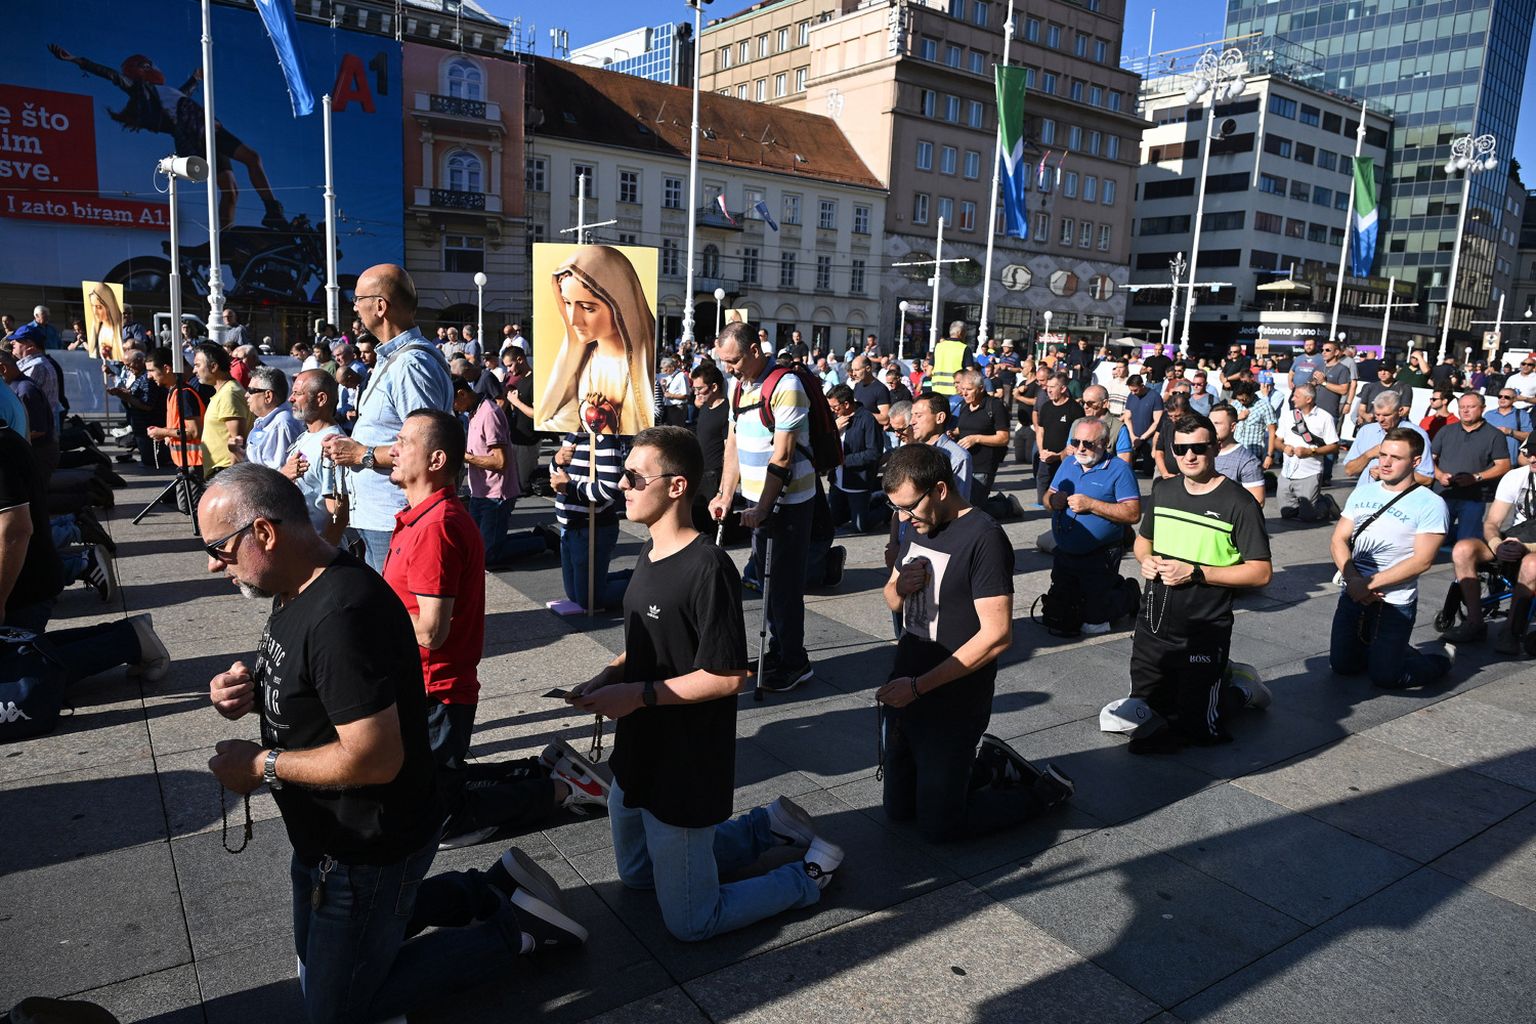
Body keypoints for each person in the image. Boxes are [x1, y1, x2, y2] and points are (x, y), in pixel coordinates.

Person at [199, 464, 588, 1024]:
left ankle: (514, 930)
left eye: (219, 548)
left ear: (263, 532)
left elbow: (376, 758)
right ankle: (484, 891)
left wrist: (261, 765)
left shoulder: (342, 613)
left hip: (369, 845)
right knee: (319, 962)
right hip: (329, 840)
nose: (215, 564)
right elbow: (323, 687)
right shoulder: (294, 587)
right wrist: (253, 691)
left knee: (335, 1011)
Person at [563, 426, 842, 939]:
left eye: (634, 477)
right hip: (637, 751)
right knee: (637, 875)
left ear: (676, 486)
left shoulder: (708, 567)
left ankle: (807, 878)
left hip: (683, 762)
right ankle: (765, 827)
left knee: (692, 922)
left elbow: (728, 676)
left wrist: (637, 695)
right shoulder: (648, 552)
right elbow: (651, 641)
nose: (621, 485)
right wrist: (612, 673)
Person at [877, 443, 1074, 840]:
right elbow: (891, 598)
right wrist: (901, 587)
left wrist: (919, 687)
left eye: (909, 507)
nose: (903, 518)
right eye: (895, 508)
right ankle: (987, 766)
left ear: (940, 490)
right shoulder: (914, 525)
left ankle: (1041, 793)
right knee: (899, 811)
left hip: (953, 693)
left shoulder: (984, 538)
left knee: (940, 828)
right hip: (908, 681)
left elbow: (997, 635)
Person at [1110, 413, 1273, 753]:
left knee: (1199, 728)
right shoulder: (1164, 489)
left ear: (1215, 448)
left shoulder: (1239, 502)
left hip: (1203, 626)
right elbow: (1143, 542)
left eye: (1199, 448)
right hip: (1154, 619)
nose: (1189, 456)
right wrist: (1146, 559)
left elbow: (1260, 572)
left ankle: (1242, 688)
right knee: (1144, 713)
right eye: (1181, 448)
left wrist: (1197, 572)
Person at [49, 46, 286, 229]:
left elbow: (182, 95)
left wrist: (195, 79)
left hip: (210, 129)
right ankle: (266, 215)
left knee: (233, 187)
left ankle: (234, 231)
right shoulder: (141, 89)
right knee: (248, 163)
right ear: (140, 69)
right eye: (146, 66)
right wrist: (77, 60)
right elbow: (111, 75)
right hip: (198, 133)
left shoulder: (165, 92)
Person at [321, 265, 455, 571]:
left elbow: (424, 450)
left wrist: (361, 453)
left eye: (358, 299)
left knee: (397, 601)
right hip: (381, 518)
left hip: (394, 518)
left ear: (380, 306)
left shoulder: (411, 365)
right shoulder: (393, 359)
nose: (355, 307)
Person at [708, 322, 818, 693]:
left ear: (755, 350)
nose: (729, 369)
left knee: (783, 584)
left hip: (788, 501)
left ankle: (795, 662)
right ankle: (779, 650)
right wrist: (726, 494)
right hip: (758, 499)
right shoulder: (738, 386)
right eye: (724, 362)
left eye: (734, 361)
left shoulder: (786, 384)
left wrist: (765, 508)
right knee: (765, 581)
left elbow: (783, 455)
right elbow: (733, 442)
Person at [1330, 429, 1454, 685]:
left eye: (1395, 458)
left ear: (1416, 461)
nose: (1385, 463)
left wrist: (1367, 585)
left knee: (1386, 677)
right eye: (1382, 455)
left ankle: (1439, 661)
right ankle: (1390, 651)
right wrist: (1353, 581)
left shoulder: (1430, 504)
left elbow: (1422, 560)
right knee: (1343, 666)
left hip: (1394, 602)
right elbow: (1338, 539)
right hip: (1353, 594)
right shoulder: (1363, 492)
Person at [537, 246, 656, 435]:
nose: (573, 320)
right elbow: (568, 419)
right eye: (567, 303)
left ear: (621, 306)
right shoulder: (582, 361)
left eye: (587, 308)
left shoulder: (644, 363)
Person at [1045, 416, 1143, 634]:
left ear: (1104, 443)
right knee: (1058, 616)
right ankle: (1104, 591)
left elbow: (1133, 513)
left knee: (1094, 625)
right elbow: (1047, 497)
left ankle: (1129, 594)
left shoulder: (1119, 469)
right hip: (1065, 551)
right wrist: (1052, 501)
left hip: (1100, 554)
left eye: (1088, 443)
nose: (1080, 448)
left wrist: (1091, 505)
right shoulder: (1068, 463)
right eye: (1075, 442)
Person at [1441, 447, 1536, 649]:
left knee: (1531, 564)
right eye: (1530, 453)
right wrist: (1497, 544)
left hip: (1530, 547)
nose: (1532, 458)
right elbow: (1492, 522)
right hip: (1516, 537)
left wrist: (1526, 548)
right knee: (1463, 549)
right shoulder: (1516, 476)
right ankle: (1474, 623)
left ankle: (1510, 631)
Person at [455, 378, 544, 567]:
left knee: (488, 554)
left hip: (497, 494)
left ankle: (542, 541)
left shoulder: (489, 413)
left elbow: (500, 462)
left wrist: (466, 457)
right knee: (479, 546)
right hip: (480, 492)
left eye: (454, 402)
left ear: (462, 393)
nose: (455, 408)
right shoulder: (474, 412)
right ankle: (538, 536)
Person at [1431, 392, 1511, 543]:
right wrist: (1439, 475)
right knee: (1434, 541)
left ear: (1482, 408)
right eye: (1462, 407)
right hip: (1443, 494)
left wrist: (1476, 477)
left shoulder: (1494, 435)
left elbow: (1504, 465)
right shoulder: (1446, 431)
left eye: (1471, 407)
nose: (1465, 410)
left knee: (1466, 543)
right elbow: (1429, 459)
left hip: (1474, 498)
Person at [280, 368, 348, 544]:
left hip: (313, 549)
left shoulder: (332, 444)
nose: (291, 398)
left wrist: (324, 553)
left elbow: (338, 513)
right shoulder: (307, 435)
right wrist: (283, 475)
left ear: (321, 399)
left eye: (298, 393)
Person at [1274, 384, 1340, 521]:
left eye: (1296, 396)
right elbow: (1277, 441)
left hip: (1310, 472)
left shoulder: (1324, 417)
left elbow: (1334, 447)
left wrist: (1311, 451)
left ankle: (1325, 503)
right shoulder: (1287, 416)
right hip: (1287, 472)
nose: (1292, 399)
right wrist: (1284, 447)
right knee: (1287, 514)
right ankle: (1309, 502)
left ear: (1308, 399)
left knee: (1308, 517)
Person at [826, 384, 885, 532]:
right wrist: (834, 429)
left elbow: (874, 452)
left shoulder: (867, 419)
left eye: (835, 407)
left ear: (846, 404)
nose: (832, 410)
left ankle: (886, 507)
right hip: (837, 481)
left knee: (860, 527)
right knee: (834, 521)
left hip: (857, 482)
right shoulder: (835, 418)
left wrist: (844, 460)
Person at [1342, 391, 1434, 485]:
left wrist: (1388, 474)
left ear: (1400, 411)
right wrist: (1368, 455)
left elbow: (1427, 479)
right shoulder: (1366, 431)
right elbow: (1349, 470)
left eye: (1386, 415)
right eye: (1377, 415)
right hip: (1365, 492)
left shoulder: (1416, 435)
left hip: (1398, 493)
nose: (1381, 419)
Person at [143, 346, 206, 479]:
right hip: (188, 464)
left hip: (195, 465)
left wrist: (163, 432)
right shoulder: (175, 392)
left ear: (167, 368)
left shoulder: (184, 394)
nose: (149, 376)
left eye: (152, 371)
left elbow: (194, 432)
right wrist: (166, 433)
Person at [191, 342, 251, 478]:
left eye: (198, 365)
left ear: (213, 366)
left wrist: (232, 479)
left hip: (226, 472)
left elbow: (237, 440)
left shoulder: (229, 394)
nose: (194, 371)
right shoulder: (224, 392)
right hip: (220, 471)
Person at [952, 369, 1010, 506]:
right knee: (962, 504)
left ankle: (1007, 506)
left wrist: (976, 439)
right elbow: (964, 428)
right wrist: (953, 433)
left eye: (969, 389)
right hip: (963, 464)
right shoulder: (965, 405)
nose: (964, 393)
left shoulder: (994, 405)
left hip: (982, 466)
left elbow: (1004, 438)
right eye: (962, 389)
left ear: (981, 388)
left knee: (975, 506)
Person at [689, 361, 730, 532]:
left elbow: (729, 449)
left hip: (715, 475)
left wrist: (724, 486)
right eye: (694, 389)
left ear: (714, 387)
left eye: (700, 389)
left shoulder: (727, 411)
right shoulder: (705, 406)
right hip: (699, 471)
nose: (696, 393)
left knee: (712, 526)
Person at [1033, 373, 1084, 505]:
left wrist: (1059, 455)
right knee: (1043, 499)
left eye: (1052, 387)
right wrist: (1042, 451)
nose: (1048, 390)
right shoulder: (1046, 407)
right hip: (1046, 458)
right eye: (1047, 386)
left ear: (1063, 388)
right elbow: (1040, 431)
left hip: (1065, 460)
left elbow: (1078, 439)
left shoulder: (1075, 409)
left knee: (1062, 497)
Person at [241, 366, 301, 470]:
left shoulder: (282, 424)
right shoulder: (264, 420)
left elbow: (280, 471)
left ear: (268, 396)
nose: (246, 395)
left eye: (251, 390)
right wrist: (237, 452)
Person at [1210, 403, 1267, 506]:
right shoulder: (1202, 452)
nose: (1212, 428)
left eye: (1217, 423)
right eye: (1210, 423)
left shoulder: (1248, 462)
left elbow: (1258, 502)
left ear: (1233, 427)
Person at [1123, 374, 1165, 476]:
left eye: (1135, 390)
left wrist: (1142, 438)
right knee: (1125, 467)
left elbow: (1157, 421)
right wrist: (1132, 436)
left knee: (1148, 471)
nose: (1133, 393)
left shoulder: (1155, 397)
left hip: (1148, 437)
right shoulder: (1131, 396)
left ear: (1142, 385)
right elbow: (1127, 417)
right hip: (1133, 436)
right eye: (1131, 390)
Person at [929, 320, 975, 410]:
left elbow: (928, 372)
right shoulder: (964, 348)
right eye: (965, 332)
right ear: (960, 333)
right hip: (956, 391)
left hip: (937, 390)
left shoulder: (938, 347)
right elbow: (970, 372)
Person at [1080, 384, 1132, 463]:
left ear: (1104, 403)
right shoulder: (1077, 424)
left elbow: (1124, 463)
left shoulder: (1118, 429)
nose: (1085, 406)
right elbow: (1069, 454)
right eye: (1083, 402)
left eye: (1090, 403)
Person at [1484, 386, 1531, 465]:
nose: (1502, 399)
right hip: (1488, 461)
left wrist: (1510, 432)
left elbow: (1529, 437)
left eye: (1507, 397)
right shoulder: (1488, 414)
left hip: (1510, 462)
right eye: (1500, 396)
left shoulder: (1522, 415)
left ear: (1514, 399)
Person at [85, 282, 125, 361]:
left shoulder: (120, 329)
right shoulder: (97, 329)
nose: (95, 312)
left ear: (109, 306)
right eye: (92, 306)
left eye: (99, 307)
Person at [848, 355, 892, 428]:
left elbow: (885, 419)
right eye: (853, 370)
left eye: (857, 370)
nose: (854, 374)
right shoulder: (857, 386)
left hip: (872, 432)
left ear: (868, 368)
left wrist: (861, 414)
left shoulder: (881, 389)